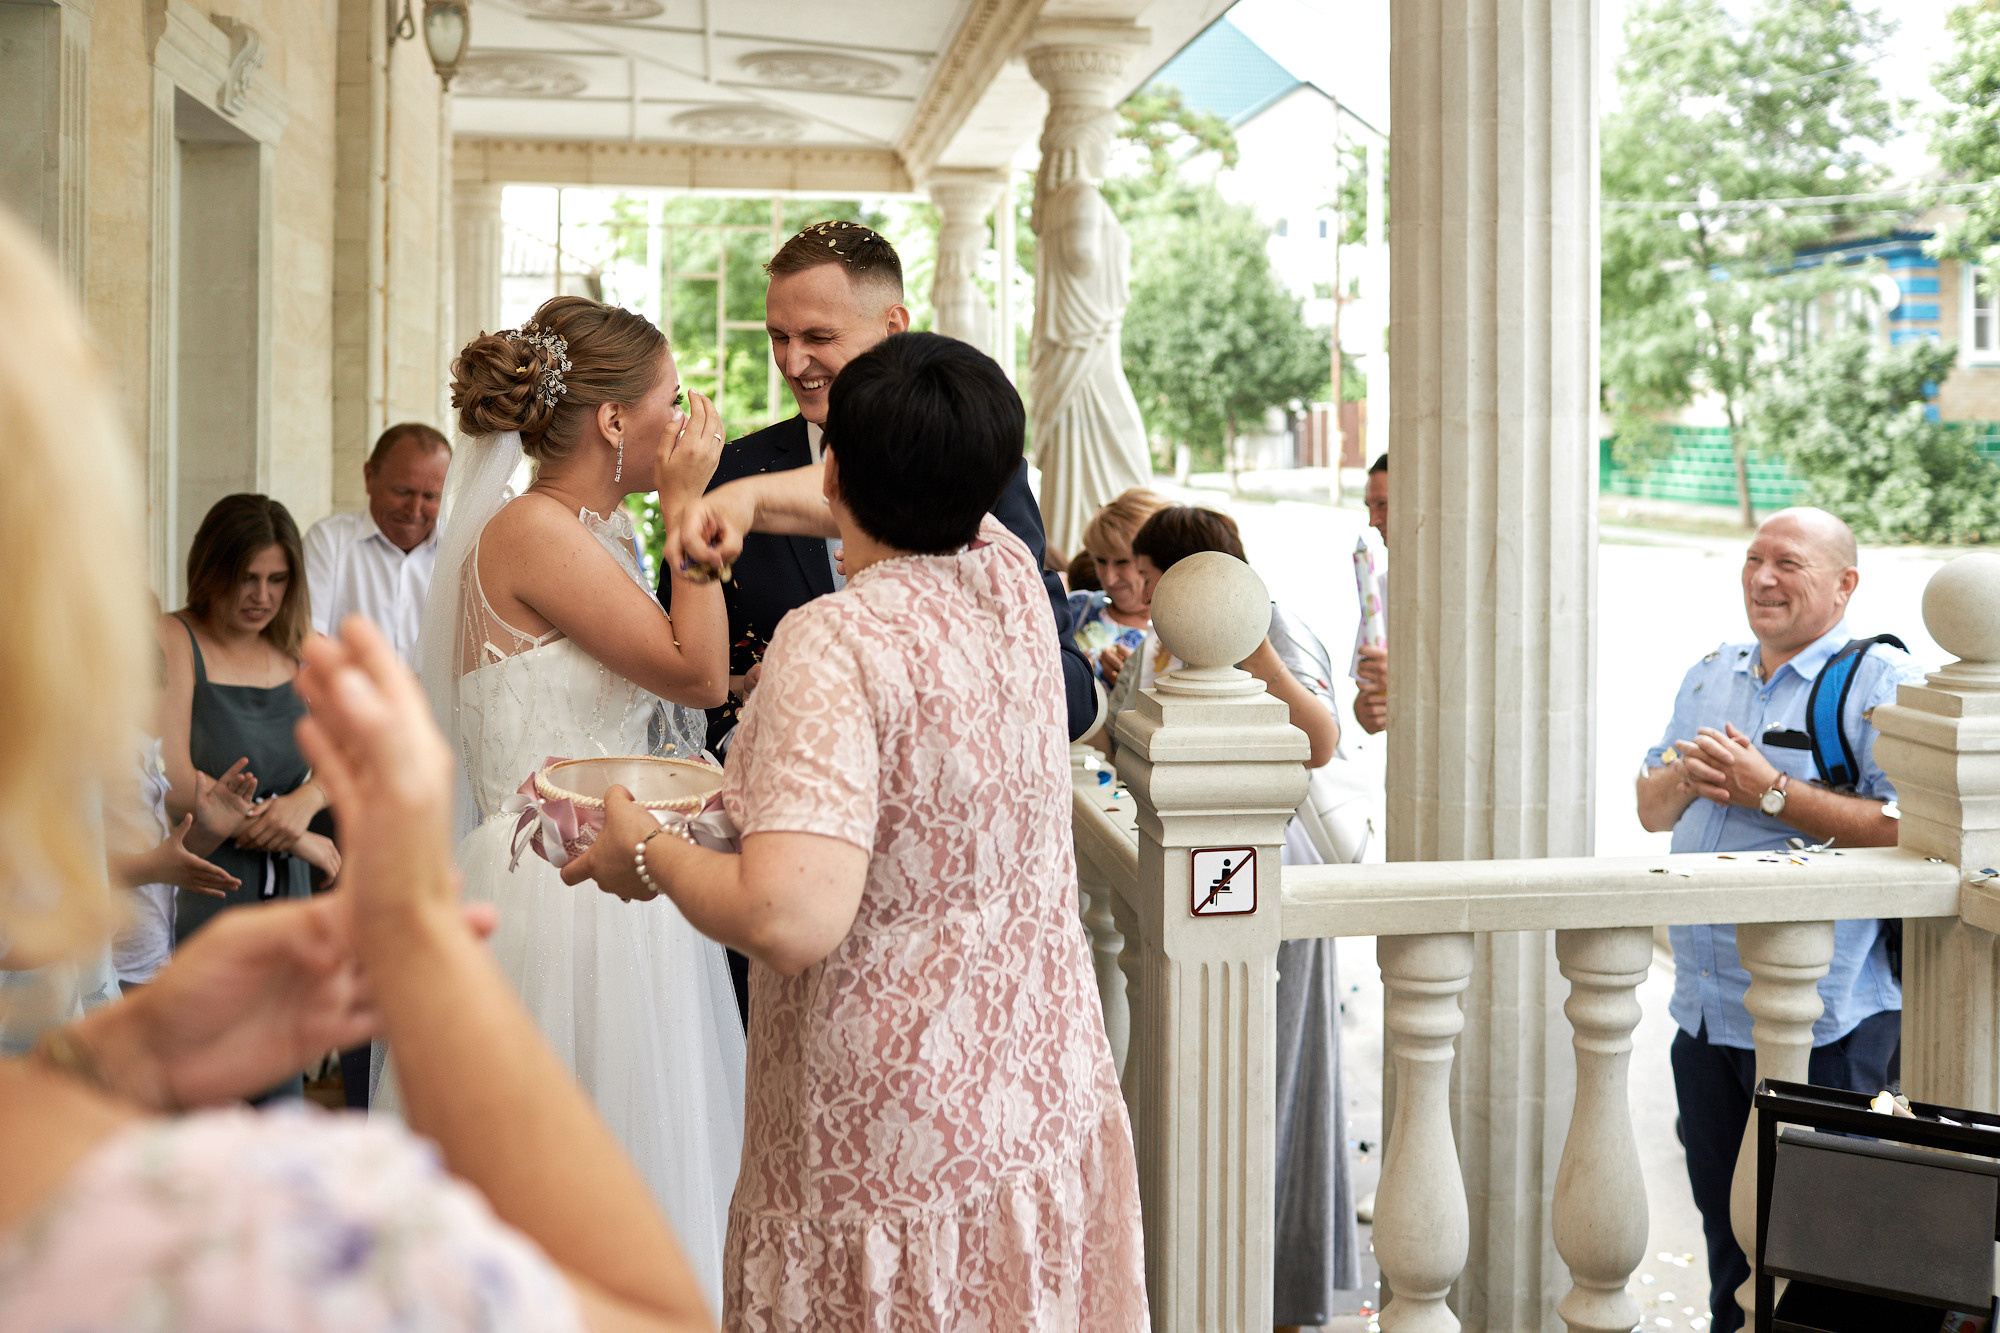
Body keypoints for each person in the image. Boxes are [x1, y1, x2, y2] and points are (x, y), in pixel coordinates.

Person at [0, 205, 713, 1332]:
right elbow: (650, 1310)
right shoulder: (263, 1231)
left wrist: (107, 1062)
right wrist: (414, 931)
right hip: (557, 882)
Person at [562, 333, 1148, 1328]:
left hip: (890, 1143)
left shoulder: (836, 640)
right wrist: (741, 499)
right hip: (1034, 1090)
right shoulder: (1007, 576)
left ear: (833, 468)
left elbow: (789, 916)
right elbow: (848, 495)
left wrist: (646, 850)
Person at [411, 294, 745, 1312]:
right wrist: (689, 506)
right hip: (560, 889)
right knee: (581, 1181)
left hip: (607, 872)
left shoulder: (581, 535)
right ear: (610, 422)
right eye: (666, 399)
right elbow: (698, 674)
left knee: (638, 1159)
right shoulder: (535, 531)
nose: (683, 417)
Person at [1636, 506, 1920, 1333]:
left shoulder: (1879, 681)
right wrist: (1691, 776)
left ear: (1844, 585)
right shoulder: (1709, 673)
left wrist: (1769, 789)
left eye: (1788, 563)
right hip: (1705, 1011)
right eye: (1754, 559)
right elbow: (1651, 807)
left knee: (1823, 1259)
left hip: (1826, 1020)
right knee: (1732, 1254)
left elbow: (1911, 827)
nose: (1763, 577)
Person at [660, 221, 1099, 755]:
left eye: (820, 337)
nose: (792, 363)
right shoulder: (729, 472)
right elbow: (674, 687)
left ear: (894, 326)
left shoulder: (981, 471)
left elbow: (1070, 689)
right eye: (778, 337)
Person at [1110, 504, 1354, 1332]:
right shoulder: (1160, 638)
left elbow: (1318, 738)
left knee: (1275, 1092)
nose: (1131, 588)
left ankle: (1280, 1296)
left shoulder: (1272, 627)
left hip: (1272, 888)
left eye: (1146, 574)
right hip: (1196, 883)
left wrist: (1253, 651)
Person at [160, 494, 341, 949]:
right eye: (247, 579)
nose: (262, 597)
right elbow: (175, 782)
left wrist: (307, 800)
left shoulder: (304, 645)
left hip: (289, 892)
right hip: (201, 876)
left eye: (277, 580)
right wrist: (289, 836)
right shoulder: (171, 638)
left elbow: (350, 751)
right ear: (211, 570)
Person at [303, 421, 451, 670]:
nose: (414, 511)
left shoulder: (461, 548)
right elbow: (309, 641)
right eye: (403, 492)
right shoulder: (329, 541)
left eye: (430, 497)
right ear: (370, 477)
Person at [1069, 487, 1170, 687]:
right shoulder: (1075, 608)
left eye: (1122, 562)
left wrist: (1135, 687)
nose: (1109, 578)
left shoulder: (1179, 635)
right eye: (1100, 560)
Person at [1353, 453, 1390, 735]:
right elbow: (1365, 702)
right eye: (1369, 506)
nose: (1373, 520)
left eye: (1383, 505)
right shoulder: (1380, 590)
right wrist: (1366, 710)